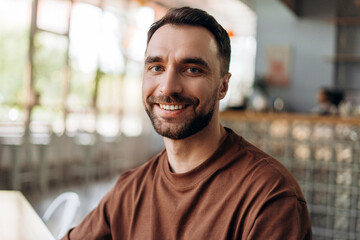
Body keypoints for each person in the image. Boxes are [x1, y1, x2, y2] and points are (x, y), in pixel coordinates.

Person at [63, 7, 312, 240]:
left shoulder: (270, 196)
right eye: (156, 67)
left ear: (223, 86)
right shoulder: (130, 191)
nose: (168, 87)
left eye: (192, 69)